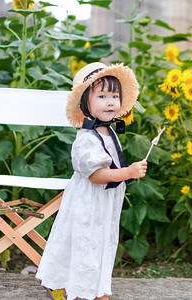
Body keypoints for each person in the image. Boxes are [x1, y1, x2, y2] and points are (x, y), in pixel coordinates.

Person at [36, 62, 147, 300]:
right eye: (102, 95)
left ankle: (94, 288)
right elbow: (97, 176)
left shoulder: (109, 131)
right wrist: (128, 172)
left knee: (101, 245)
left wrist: (127, 171)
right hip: (88, 205)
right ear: (85, 102)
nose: (110, 102)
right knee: (86, 245)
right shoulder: (86, 138)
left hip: (104, 205)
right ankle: (75, 289)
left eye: (115, 96)